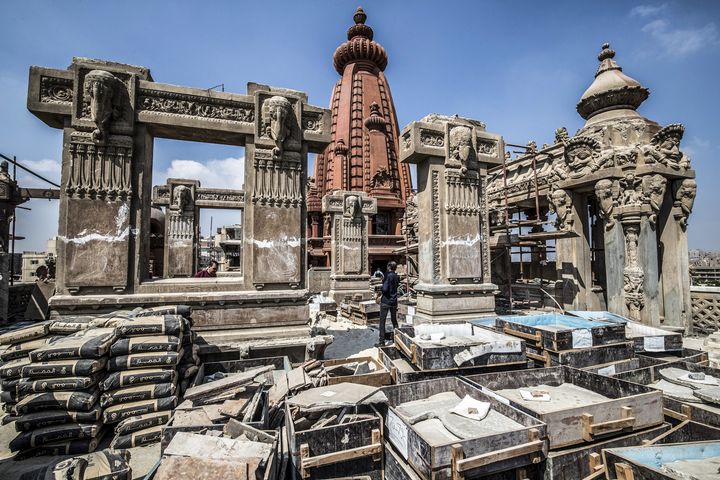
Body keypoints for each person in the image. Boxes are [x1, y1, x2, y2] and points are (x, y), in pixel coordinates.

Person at [377, 261, 400, 346]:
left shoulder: (387, 275)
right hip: (394, 301)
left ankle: (381, 341)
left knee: (382, 321)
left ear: (389, 267)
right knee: (394, 320)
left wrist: (381, 290)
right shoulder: (397, 276)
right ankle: (397, 338)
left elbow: (385, 289)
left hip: (386, 301)